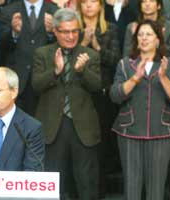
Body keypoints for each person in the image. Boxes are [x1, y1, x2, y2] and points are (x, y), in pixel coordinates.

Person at [110, 20, 170, 200]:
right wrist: (135, 78)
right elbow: (115, 96)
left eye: (149, 34)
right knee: (131, 188)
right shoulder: (125, 64)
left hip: (161, 132)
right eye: (140, 35)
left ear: (158, 40)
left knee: (156, 189)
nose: (144, 38)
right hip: (129, 131)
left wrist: (163, 77)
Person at [32, 8, 101, 199]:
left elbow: (97, 87)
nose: (71, 36)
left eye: (74, 31)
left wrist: (82, 71)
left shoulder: (90, 55)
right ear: (55, 31)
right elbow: (36, 85)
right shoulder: (43, 53)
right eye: (65, 31)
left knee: (86, 183)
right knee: (54, 184)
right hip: (52, 127)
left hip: (83, 128)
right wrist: (55, 71)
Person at [77, 0, 121, 195]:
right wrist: (84, 43)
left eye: (93, 1)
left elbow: (115, 60)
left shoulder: (110, 29)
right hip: (79, 92)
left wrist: (95, 45)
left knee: (102, 140)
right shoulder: (72, 29)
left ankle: (100, 188)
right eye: (84, 2)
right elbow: (67, 58)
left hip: (102, 93)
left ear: (101, 6)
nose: (88, 6)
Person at [0, 0, 58, 116]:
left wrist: (52, 33)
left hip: (46, 77)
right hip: (17, 79)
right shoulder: (9, 10)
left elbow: (63, 45)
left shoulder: (54, 11)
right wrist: (14, 33)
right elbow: (1, 47)